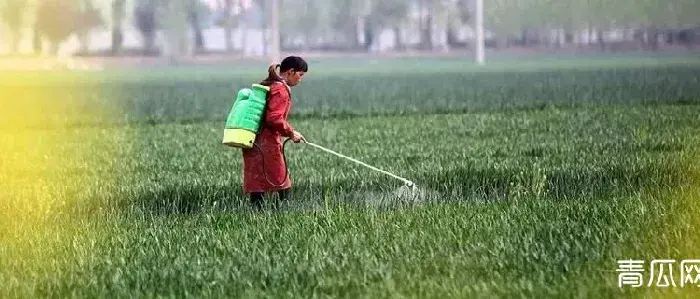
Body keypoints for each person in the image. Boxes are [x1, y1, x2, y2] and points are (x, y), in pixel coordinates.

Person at [242, 56, 308, 210]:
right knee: (282, 182)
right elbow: (274, 119)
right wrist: (291, 133)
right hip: (267, 144)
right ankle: (284, 215)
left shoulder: (270, 84)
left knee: (257, 184)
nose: (300, 80)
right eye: (300, 75)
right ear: (290, 72)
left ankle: (256, 217)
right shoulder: (281, 90)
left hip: (253, 140)